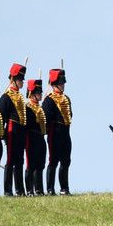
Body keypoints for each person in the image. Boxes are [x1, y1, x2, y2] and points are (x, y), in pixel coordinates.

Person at [0, 61, 28, 196]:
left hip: (20, 130)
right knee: (10, 160)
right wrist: (3, 133)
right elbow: (2, 117)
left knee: (20, 161)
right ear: (13, 80)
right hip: (12, 130)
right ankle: (8, 190)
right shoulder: (6, 97)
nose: (22, 82)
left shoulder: (20, 97)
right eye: (20, 79)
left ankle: (20, 189)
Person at [43, 67, 72, 195]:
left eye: (63, 82)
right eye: (60, 82)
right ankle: (50, 189)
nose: (63, 85)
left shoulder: (67, 99)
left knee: (66, 161)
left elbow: (71, 114)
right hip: (55, 133)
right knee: (53, 161)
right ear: (55, 84)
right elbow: (46, 118)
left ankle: (64, 188)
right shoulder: (49, 100)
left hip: (66, 132)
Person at [24, 78, 47, 195]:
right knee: (31, 165)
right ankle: (29, 190)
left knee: (40, 165)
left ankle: (39, 189)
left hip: (41, 137)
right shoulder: (27, 108)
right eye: (38, 93)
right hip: (31, 137)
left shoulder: (40, 107)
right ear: (32, 94)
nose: (40, 94)